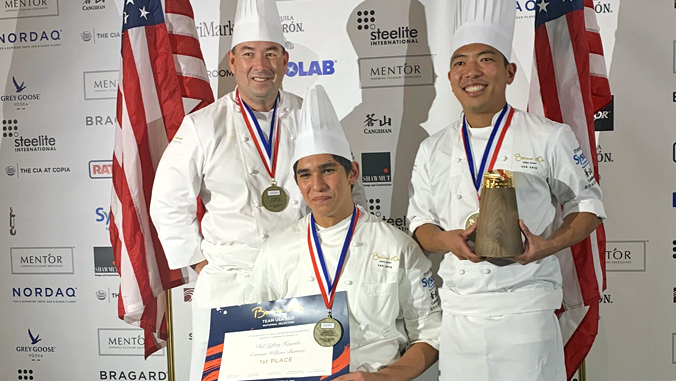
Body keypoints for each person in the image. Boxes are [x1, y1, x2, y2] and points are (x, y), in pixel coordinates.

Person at [149, 1, 364, 380]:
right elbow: (166, 202)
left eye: (270, 54)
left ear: (284, 61)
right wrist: (203, 265)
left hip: (302, 281)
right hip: (230, 284)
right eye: (249, 54)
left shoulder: (309, 116)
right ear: (232, 61)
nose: (260, 66)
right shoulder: (203, 125)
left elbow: (346, 192)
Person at [407, 0, 606, 380]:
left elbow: (588, 205)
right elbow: (420, 224)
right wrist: (448, 240)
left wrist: (548, 245)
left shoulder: (549, 136)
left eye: (486, 59)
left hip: (526, 312)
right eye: (461, 62)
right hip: (460, 317)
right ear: (450, 77)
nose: (472, 72)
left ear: (509, 71)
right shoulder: (432, 148)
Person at [248, 85, 441, 381]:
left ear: (352, 172)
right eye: (305, 175)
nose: (317, 185)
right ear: (297, 183)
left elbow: (430, 332)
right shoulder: (276, 250)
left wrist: (382, 379)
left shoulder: (396, 246)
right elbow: (255, 335)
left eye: (327, 170)